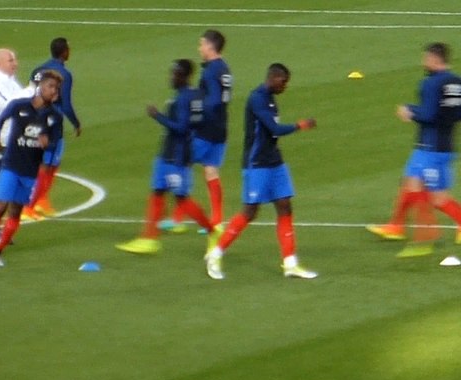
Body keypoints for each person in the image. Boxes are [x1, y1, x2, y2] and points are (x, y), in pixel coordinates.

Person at [204, 64, 317, 280]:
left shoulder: (271, 99)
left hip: (274, 161)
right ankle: (216, 254)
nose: (285, 86)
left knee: (285, 206)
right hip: (257, 164)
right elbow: (274, 129)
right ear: (273, 78)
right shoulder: (257, 98)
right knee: (250, 211)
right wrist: (300, 125)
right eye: (283, 81)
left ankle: (290, 263)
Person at [389, 43, 461, 260]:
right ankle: (405, 231)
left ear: (435, 59)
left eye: (426, 58)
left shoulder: (431, 83)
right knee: (412, 185)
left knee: (437, 199)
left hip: (430, 149)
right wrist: (453, 118)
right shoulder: (458, 81)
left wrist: (410, 112)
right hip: (446, 147)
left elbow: (428, 115)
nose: (423, 62)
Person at [116, 60, 220, 255]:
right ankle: (149, 238)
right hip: (169, 154)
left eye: (175, 74)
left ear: (184, 75)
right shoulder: (195, 95)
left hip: (176, 157)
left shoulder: (182, 99)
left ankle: (212, 232)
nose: (171, 77)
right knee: (157, 193)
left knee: (182, 199)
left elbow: (181, 128)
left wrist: (157, 116)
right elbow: (203, 121)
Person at [166, 30, 232, 232]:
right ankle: (218, 219)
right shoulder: (225, 69)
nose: (199, 48)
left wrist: (195, 111)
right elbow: (223, 99)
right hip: (221, 127)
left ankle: (178, 217)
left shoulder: (211, 71)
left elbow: (211, 101)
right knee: (211, 169)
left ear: (211, 47)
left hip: (206, 127)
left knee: (181, 163)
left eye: (202, 44)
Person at [0, 71, 63, 268]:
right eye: (51, 86)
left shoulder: (55, 117)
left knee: (16, 211)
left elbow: (54, 144)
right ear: (40, 86)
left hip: (30, 170)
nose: (54, 91)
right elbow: (0, 120)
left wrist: (47, 144)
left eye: (56, 88)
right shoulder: (20, 106)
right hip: (11, 163)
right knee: (0, 206)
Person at [24, 37, 80, 220]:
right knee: (48, 165)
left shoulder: (37, 70)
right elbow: (66, 104)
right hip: (52, 125)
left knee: (46, 164)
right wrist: (76, 124)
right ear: (64, 52)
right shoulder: (63, 74)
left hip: (34, 120)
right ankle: (29, 206)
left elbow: (29, 95)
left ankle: (41, 201)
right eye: (68, 49)